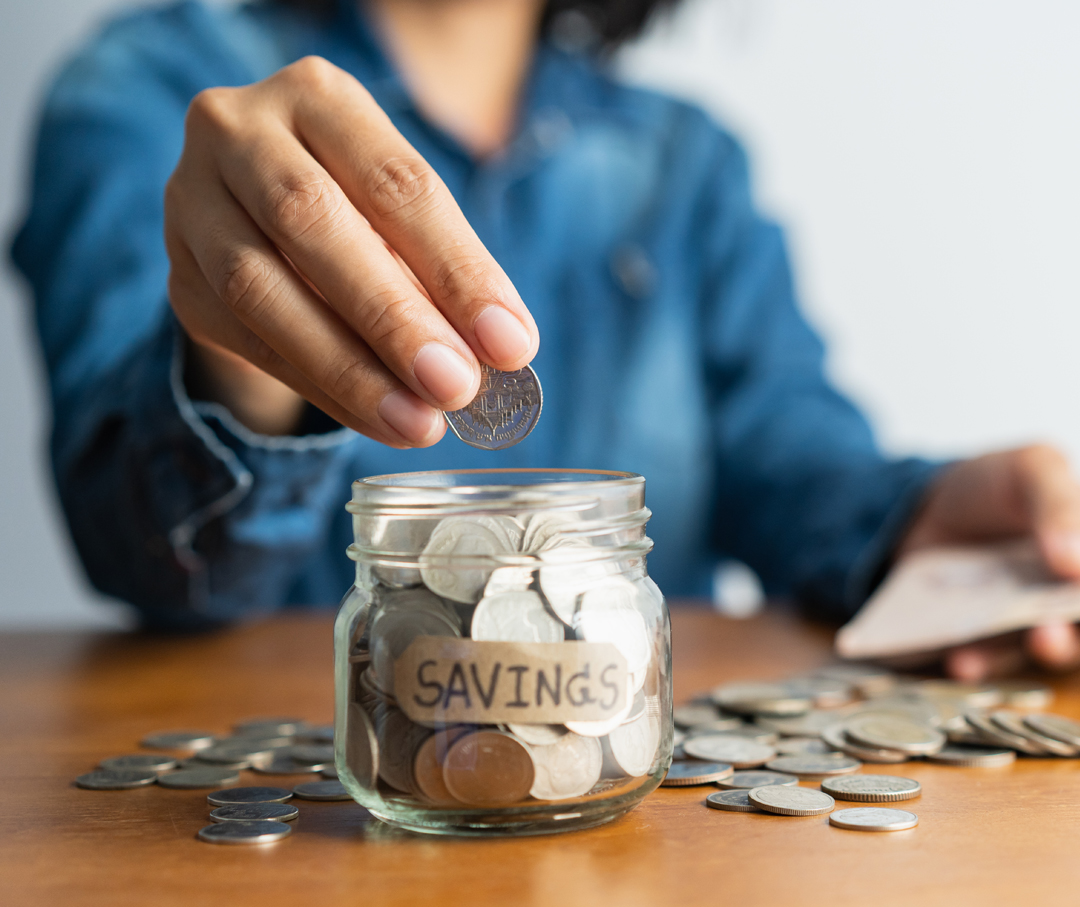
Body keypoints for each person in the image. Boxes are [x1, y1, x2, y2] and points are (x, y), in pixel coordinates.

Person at [12, 0, 1080, 680]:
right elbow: (143, 558)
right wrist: (241, 350)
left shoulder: (685, 160)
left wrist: (923, 518)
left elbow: (790, 459)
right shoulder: (154, 92)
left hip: (634, 788)